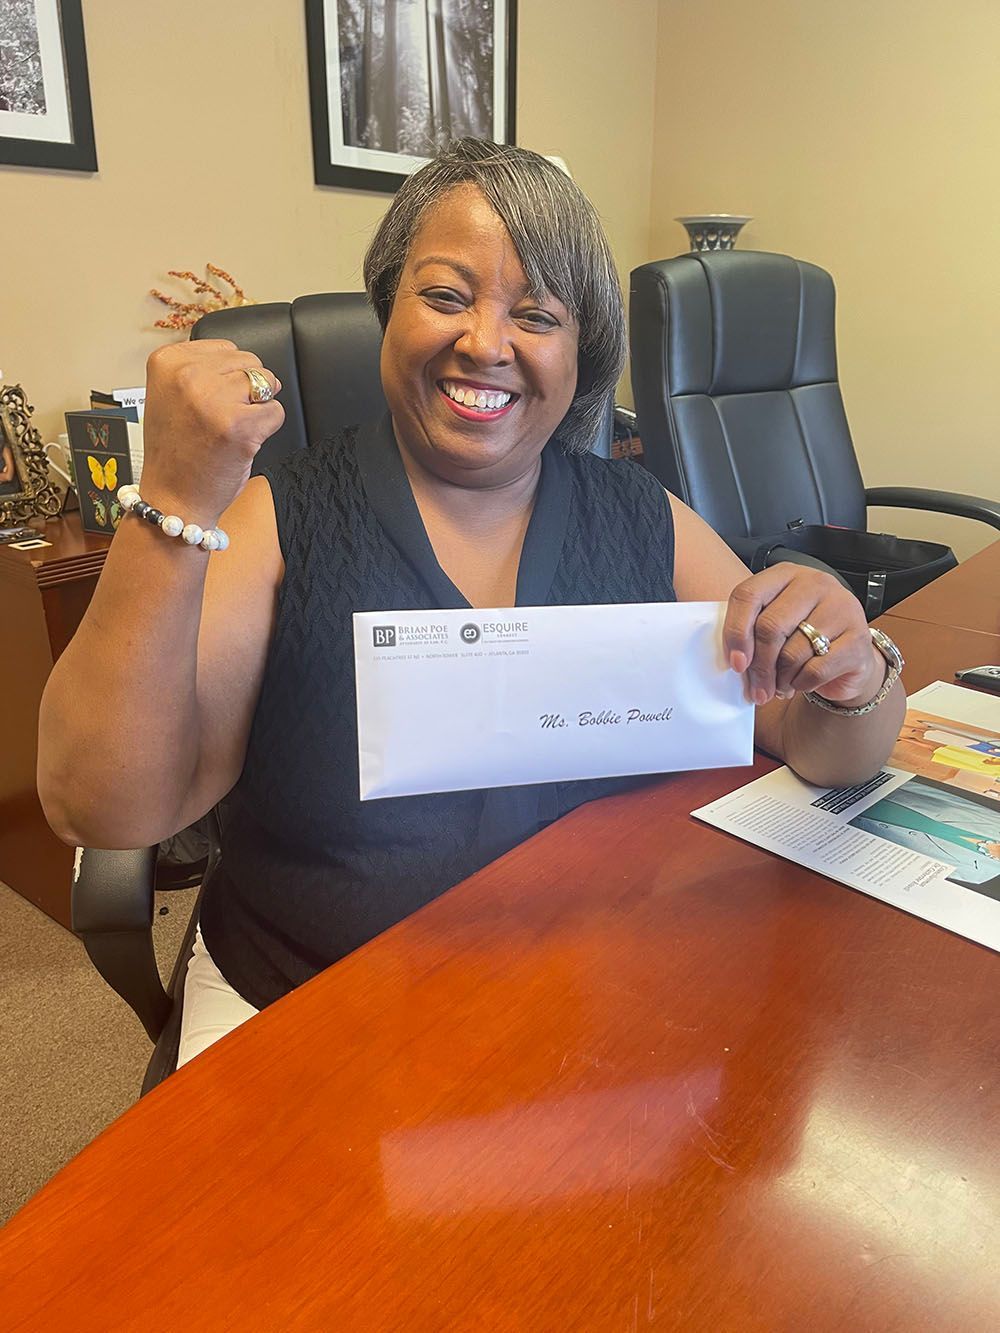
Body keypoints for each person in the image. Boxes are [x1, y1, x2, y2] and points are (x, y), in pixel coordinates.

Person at [38, 140, 906, 1065]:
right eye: (446, 296)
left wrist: (851, 675)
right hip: (311, 1001)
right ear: (388, 309)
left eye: (536, 314)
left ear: (583, 354)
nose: (485, 343)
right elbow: (106, 808)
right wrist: (170, 501)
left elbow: (819, 744)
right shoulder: (280, 521)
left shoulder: (640, 515)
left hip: (589, 999)